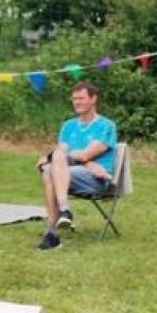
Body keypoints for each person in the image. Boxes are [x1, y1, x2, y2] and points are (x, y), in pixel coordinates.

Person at [35, 80, 118, 251]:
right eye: (74, 99)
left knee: (51, 165)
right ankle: (57, 225)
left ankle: (54, 228)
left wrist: (54, 157)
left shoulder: (106, 126)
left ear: (93, 99)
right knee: (50, 167)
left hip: (97, 180)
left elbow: (87, 153)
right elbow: (64, 155)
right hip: (68, 175)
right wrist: (56, 158)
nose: (77, 102)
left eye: (81, 98)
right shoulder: (68, 126)